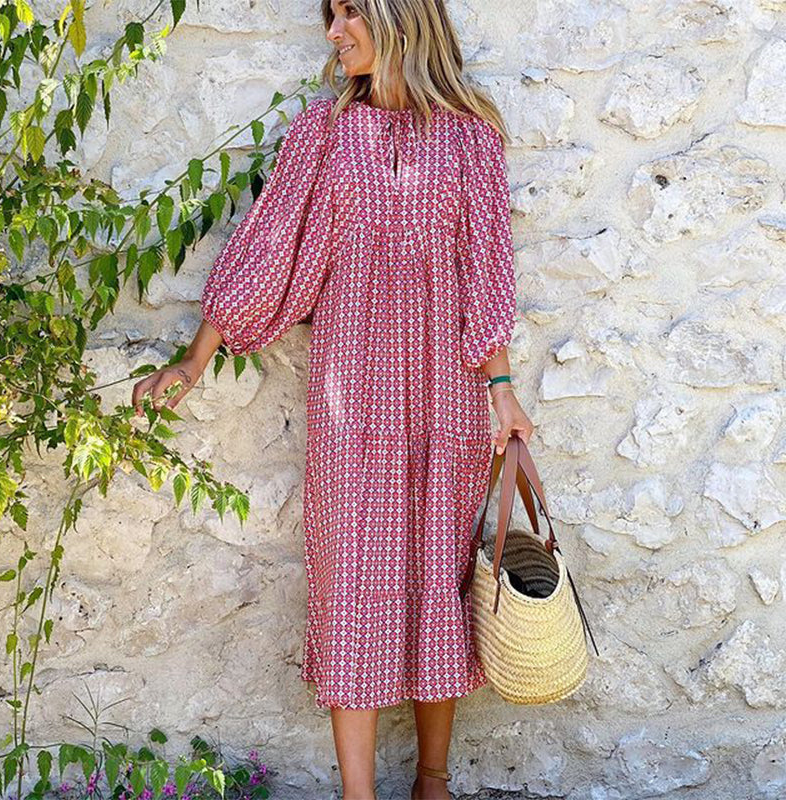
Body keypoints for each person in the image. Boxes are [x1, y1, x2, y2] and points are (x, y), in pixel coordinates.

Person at [132, 0, 535, 797]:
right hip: (352, 391)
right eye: (331, 13)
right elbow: (271, 241)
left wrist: (502, 392)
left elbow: (488, 269)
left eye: (352, 10)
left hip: (445, 391)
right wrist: (196, 356)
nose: (335, 28)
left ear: (402, 19)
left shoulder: (470, 137)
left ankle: (433, 782)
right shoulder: (324, 132)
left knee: (436, 572)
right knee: (350, 575)